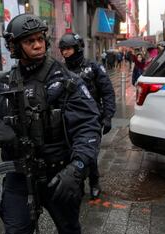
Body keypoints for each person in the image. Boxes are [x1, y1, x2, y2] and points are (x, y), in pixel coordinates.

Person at [0, 14, 100, 234]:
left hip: (59, 174)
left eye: (39, 39)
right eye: (29, 41)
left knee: (68, 228)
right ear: (14, 47)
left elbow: (89, 126)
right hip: (19, 177)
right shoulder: (3, 84)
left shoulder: (65, 81)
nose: (37, 45)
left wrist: (77, 168)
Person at [58, 32, 116, 200]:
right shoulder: (61, 70)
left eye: (68, 48)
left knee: (89, 153)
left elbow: (108, 92)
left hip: (91, 119)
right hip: (68, 120)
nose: (65, 52)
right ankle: (77, 183)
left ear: (77, 48)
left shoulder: (94, 67)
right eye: (63, 49)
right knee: (71, 152)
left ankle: (94, 181)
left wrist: (108, 116)